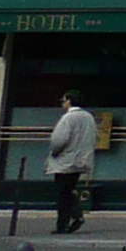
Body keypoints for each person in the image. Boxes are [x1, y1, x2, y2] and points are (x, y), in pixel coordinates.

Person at [46, 90, 96, 235]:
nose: (63, 103)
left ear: (69, 101)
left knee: (63, 194)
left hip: (65, 161)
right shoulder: (89, 118)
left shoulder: (68, 118)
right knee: (69, 191)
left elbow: (59, 140)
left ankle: (64, 224)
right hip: (81, 160)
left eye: (63, 101)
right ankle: (76, 216)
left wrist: (54, 152)